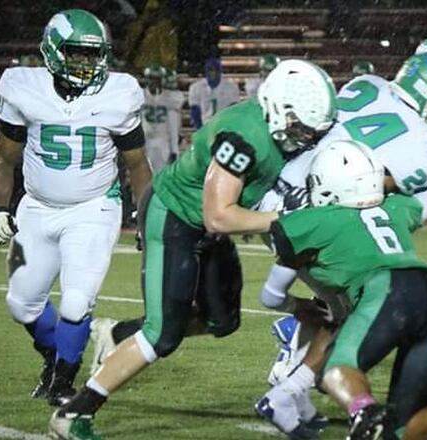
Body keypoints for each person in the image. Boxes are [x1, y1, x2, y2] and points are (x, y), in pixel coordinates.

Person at [49, 59, 337, 439]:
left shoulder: (275, 130)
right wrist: (284, 219)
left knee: (223, 321)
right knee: (162, 336)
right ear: (279, 109)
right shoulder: (244, 136)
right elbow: (219, 215)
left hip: (206, 225)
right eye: (301, 127)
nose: (306, 138)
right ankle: (72, 413)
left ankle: (118, 333)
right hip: (175, 217)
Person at [254, 52, 427, 437]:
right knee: (358, 313)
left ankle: (290, 393)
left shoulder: (366, 84)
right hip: (317, 216)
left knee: (347, 313)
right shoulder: (425, 152)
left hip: (278, 192)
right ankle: (295, 373)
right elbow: (369, 194)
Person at [264, 139, 427, 440]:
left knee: (332, 369)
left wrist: (297, 306)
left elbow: (273, 288)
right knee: (404, 428)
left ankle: (365, 413)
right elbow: (403, 198)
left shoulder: (313, 221)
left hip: (387, 290)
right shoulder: (398, 207)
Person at [0, 9, 152, 407]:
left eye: (95, 55)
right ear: (53, 51)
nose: (88, 63)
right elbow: (4, 159)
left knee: (77, 301)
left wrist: (145, 221)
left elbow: (138, 165)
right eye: (78, 53)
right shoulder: (23, 88)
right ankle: (54, 352)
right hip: (38, 208)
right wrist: (0, 210)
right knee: (20, 303)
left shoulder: (119, 93)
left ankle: (64, 378)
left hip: (94, 208)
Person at [141, 64, 185, 172]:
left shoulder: (170, 97)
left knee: (163, 173)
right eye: (151, 79)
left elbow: (174, 124)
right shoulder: (140, 95)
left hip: (163, 140)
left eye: (157, 79)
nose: (154, 82)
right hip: (146, 139)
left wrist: (174, 149)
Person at [188, 57, 240, 129]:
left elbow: (233, 110)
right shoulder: (196, 88)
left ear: (220, 71)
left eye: (216, 70)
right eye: (210, 70)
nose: (213, 73)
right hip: (204, 126)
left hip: (224, 127)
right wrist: (200, 130)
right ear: (205, 71)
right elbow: (195, 111)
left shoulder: (231, 87)